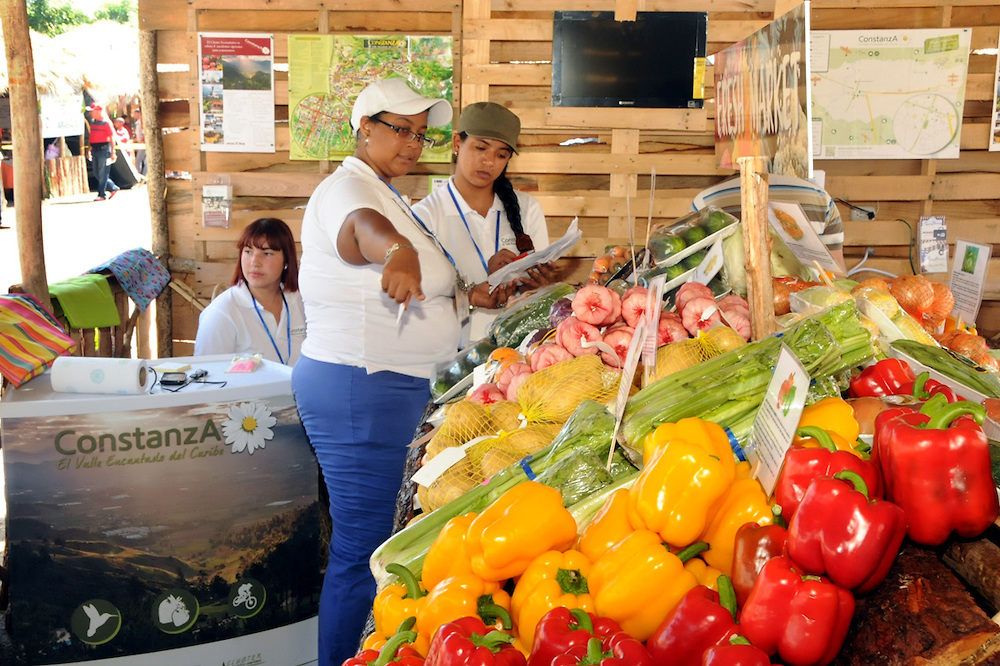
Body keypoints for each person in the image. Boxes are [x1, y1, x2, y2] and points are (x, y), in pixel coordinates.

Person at [291, 78, 506, 665]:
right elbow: (363, 230)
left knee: (388, 541)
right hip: (363, 385)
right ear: (364, 128)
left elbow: (423, 279)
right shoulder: (349, 190)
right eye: (399, 129)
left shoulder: (391, 194)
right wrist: (396, 251)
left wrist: (472, 294)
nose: (414, 143)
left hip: (392, 385)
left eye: (421, 133)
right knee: (366, 549)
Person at [414, 101, 556, 342]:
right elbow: (419, 301)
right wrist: (474, 291)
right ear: (457, 143)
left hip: (515, 352)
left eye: (501, 154)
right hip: (449, 353)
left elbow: (537, 299)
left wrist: (538, 286)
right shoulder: (425, 215)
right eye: (481, 148)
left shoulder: (528, 209)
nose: (490, 161)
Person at [194, 218, 306, 365]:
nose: (254, 262)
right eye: (248, 251)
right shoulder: (222, 312)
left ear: (287, 261)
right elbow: (207, 375)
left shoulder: (301, 302)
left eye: (267, 253)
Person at [692, 172, 846, 271]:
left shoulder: (705, 201)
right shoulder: (819, 197)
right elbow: (836, 276)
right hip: (803, 314)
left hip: (729, 316)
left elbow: (695, 273)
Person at [85, 104, 119, 201]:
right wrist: (89, 150)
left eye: (93, 111)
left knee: (103, 173)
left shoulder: (106, 123)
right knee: (96, 173)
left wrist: (113, 152)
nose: (91, 113)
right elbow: (92, 137)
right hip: (95, 150)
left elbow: (112, 137)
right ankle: (112, 187)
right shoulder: (93, 123)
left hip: (104, 150)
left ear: (98, 111)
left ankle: (101, 194)